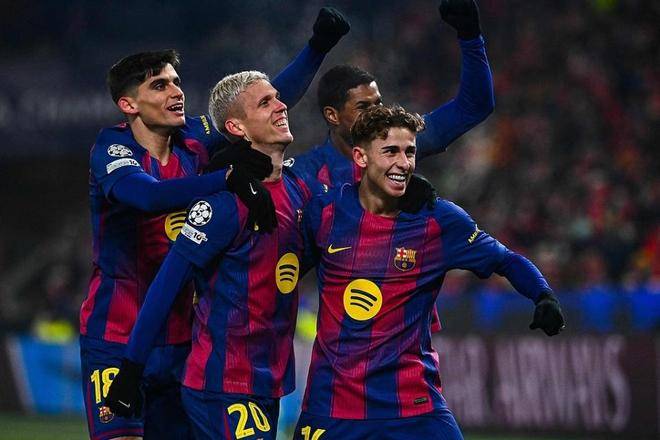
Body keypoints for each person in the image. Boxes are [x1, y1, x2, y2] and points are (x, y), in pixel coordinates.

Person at [80, 9, 350, 440]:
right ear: (128, 105)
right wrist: (227, 178)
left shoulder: (194, 138)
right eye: (159, 85)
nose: (176, 91)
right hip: (116, 333)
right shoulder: (112, 149)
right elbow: (148, 197)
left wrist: (317, 46)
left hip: (184, 339)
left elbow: (257, 106)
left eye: (176, 81)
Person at [294, 105, 565, 439]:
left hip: (413, 405)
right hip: (333, 406)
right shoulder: (324, 212)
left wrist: (543, 295)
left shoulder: (438, 220)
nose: (404, 163)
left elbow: (505, 260)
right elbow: (283, 261)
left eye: (409, 152)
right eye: (390, 151)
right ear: (361, 157)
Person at [105, 71, 323, 439]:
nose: (281, 105)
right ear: (237, 127)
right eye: (265, 102)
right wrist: (131, 369)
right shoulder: (223, 204)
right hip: (222, 383)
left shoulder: (298, 191)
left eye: (277, 97)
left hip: (267, 383)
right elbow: (166, 286)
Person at [291, 0, 493, 202]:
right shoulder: (305, 174)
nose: (375, 113)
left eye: (377, 103)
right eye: (363, 107)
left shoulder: (402, 141)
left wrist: (471, 39)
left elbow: (475, 106)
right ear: (332, 115)